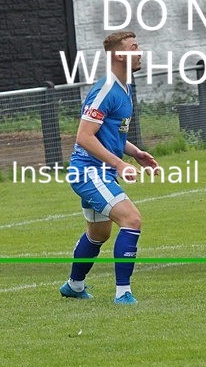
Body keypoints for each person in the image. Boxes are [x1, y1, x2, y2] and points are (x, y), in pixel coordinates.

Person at [59, 30, 158, 304]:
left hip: (98, 171)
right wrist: (118, 163)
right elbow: (84, 136)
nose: (139, 52)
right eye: (134, 47)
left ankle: (74, 286)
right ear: (118, 55)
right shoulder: (105, 90)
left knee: (98, 234)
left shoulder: (124, 88)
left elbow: (111, 135)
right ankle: (123, 293)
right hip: (89, 172)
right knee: (132, 219)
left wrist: (136, 153)